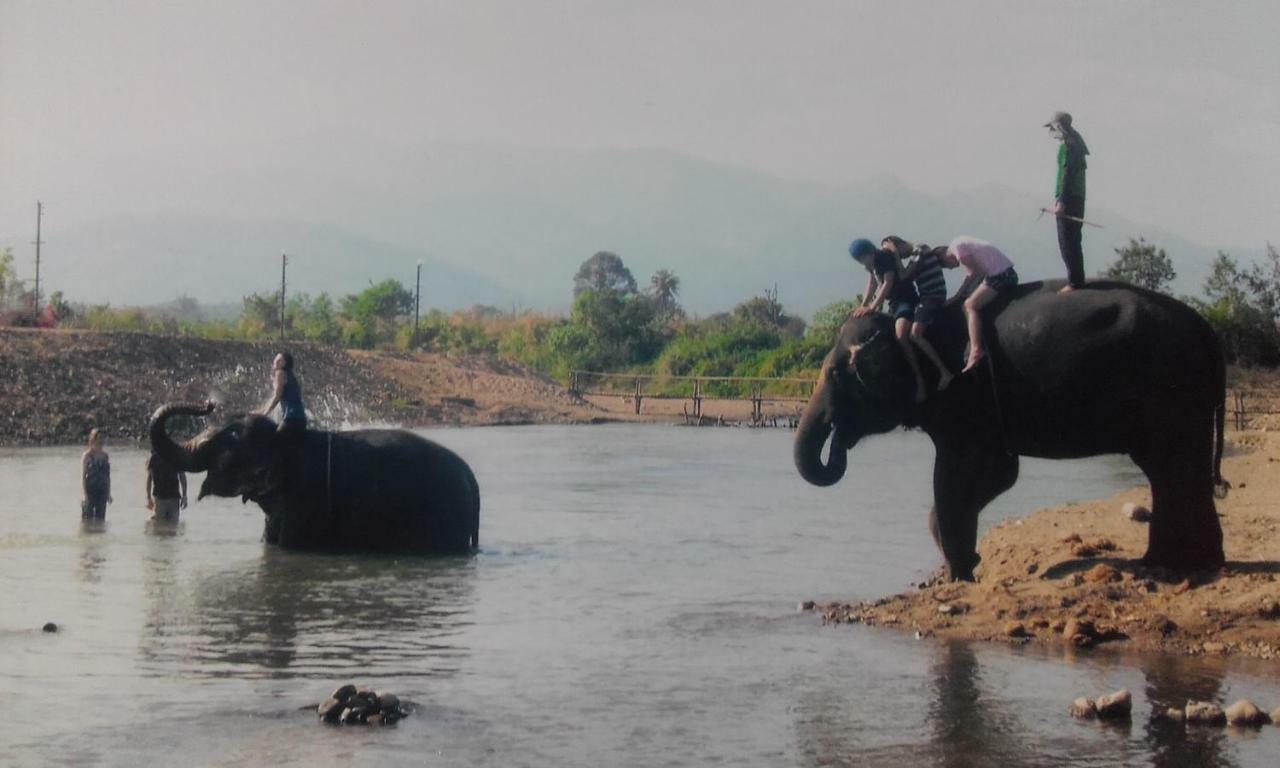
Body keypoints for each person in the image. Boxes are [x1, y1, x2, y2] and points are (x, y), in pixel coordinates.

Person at [849, 237, 928, 403]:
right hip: (893, 304)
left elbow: (887, 283)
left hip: (906, 300)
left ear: (870, 252)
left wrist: (873, 306)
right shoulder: (871, 264)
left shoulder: (884, 257)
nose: (863, 263)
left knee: (900, 335)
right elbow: (871, 284)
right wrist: (864, 305)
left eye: (863, 258)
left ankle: (920, 381)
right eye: (860, 260)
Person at [939, 236, 1019, 373]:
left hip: (1001, 276)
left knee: (970, 305)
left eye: (945, 265)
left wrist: (957, 297)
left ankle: (976, 350)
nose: (951, 268)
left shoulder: (957, 249)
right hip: (1005, 273)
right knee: (970, 300)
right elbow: (976, 273)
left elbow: (975, 273)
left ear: (941, 254)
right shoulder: (960, 242)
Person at [899, 240, 954, 391]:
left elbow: (904, 275)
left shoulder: (920, 249)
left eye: (898, 253)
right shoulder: (916, 256)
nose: (901, 257)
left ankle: (944, 372)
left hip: (931, 297)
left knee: (915, 335)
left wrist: (894, 255)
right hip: (929, 297)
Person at [1045, 111, 1089, 292]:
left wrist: (1061, 201)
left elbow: (1066, 173)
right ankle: (1077, 278)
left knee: (1066, 240)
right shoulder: (1077, 145)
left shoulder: (1066, 147)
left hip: (1068, 198)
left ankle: (1074, 282)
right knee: (1074, 239)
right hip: (1078, 198)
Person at [257, 351, 307, 438]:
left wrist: (265, 414)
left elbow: (277, 396)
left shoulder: (280, 373)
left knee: (274, 440)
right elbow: (274, 397)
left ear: (285, 363)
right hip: (300, 419)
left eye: (280, 360)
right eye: (276, 359)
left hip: (292, 419)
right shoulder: (290, 375)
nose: (276, 361)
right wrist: (260, 411)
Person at [145, 450, 187, 522]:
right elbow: (149, 479)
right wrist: (149, 498)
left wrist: (184, 496)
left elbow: (182, 476)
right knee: (161, 524)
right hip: (160, 498)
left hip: (173, 497)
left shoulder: (176, 457)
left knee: (172, 526)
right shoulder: (154, 458)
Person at [81, 428, 112, 519]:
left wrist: (109, 494)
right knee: (87, 520)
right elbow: (83, 476)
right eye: (99, 438)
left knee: (101, 520)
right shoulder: (87, 455)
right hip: (90, 491)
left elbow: (108, 477)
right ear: (93, 439)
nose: (101, 441)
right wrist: (84, 495)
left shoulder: (105, 456)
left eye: (103, 438)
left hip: (102, 491)